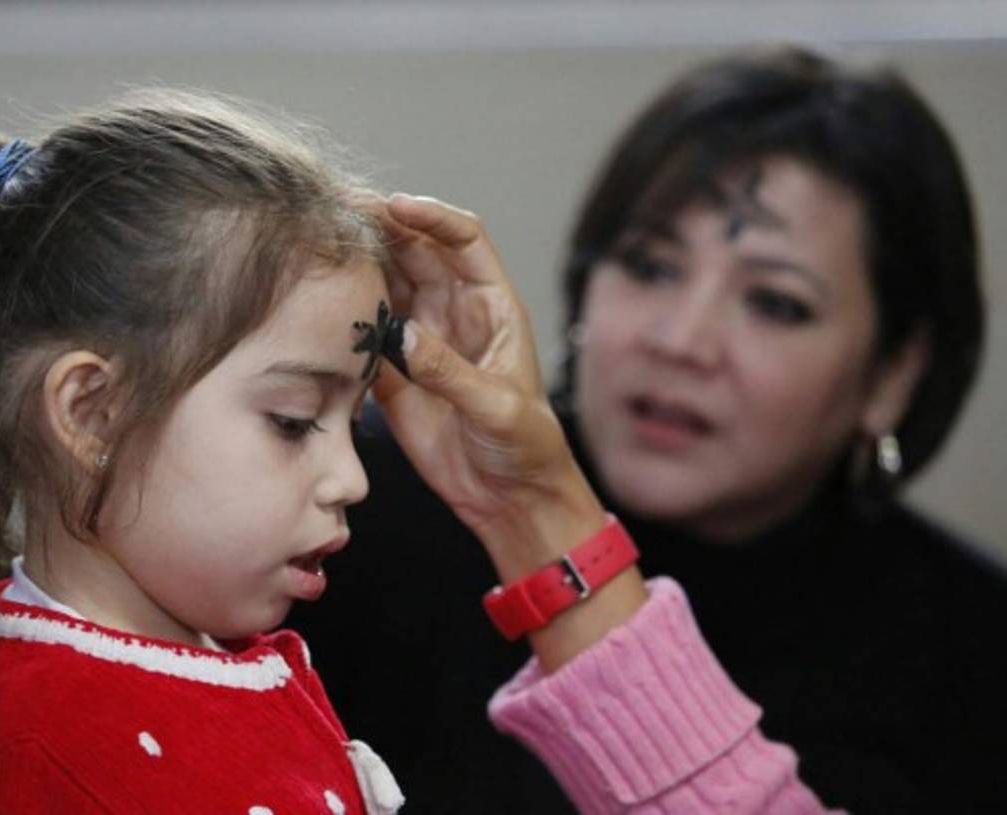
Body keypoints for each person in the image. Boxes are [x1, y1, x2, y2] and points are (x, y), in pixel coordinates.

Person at [0, 91, 834, 813]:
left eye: (348, 421)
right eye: (295, 421)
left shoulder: (252, 663)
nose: (352, 477)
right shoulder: (10, 734)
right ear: (89, 412)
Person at [290, 46, 1007, 813]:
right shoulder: (353, 498)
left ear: (894, 373)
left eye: (775, 303)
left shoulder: (978, 659)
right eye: (650, 266)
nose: (679, 340)